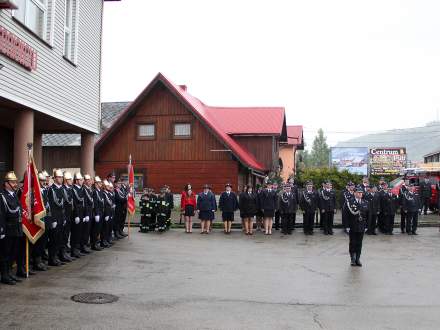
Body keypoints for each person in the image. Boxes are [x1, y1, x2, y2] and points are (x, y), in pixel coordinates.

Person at [0, 172, 23, 284]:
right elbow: (1, 215)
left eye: (16, 182)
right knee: (5, 253)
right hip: (7, 229)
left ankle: (9, 273)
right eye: (13, 182)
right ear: (6, 183)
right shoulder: (2, 196)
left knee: (14, 252)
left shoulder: (14, 195)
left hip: (16, 229)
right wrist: (2, 230)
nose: (15, 184)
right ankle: (4, 275)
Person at [346, 187, 368, 267]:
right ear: (354, 193)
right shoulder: (350, 202)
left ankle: (358, 259)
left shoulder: (365, 202)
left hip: (361, 226)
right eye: (358, 192)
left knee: (359, 243)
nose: (360, 194)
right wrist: (347, 226)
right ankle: (352, 259)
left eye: (361, 193)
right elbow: (346, 215)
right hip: (352, 226)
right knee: (352, 243)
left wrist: (366, 226)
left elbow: (367, 216)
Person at [47, 170, 65, 266]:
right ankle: (52, 258)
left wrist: (64, 217)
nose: (61, 179)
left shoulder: (62, 189)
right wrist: (52, 220)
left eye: (61, 177)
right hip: (54, 218)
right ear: (54, 178)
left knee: (59, 238)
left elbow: (63, 206)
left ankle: (56, 256)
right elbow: (50, 206)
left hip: (61, 218)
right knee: (53, 239)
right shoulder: (51, 189)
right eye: (59, 177)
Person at [71, 172, 85, 258]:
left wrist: (83, 215)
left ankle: (77, 249)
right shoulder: (73, 189)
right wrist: (76, 215)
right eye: (80, 179)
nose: (82, 181)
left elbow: (82, 203)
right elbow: (74, 204)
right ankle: (73, 250)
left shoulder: (81, 189)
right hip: (76, 213)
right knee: (75, 233)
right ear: (76, 181)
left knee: (80, 232)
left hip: (81, 213)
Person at [61, 171, 74, 262]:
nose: (71, 181)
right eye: (69, 179)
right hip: (63, 216)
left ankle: (64, 252)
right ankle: (61, 254)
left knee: (66, 235)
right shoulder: (63, 189)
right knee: (62, 236)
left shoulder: (69, 189)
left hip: (69, 215)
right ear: (66, 180)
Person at [81, 174, 94, 253]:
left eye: (90, 180)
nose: (90, 182)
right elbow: (84, 203)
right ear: (85, 181)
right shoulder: (84, 189)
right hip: (86, 213)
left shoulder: (89, 189)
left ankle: (85, 244)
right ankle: (83, 246)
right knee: (84, 231)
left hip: (90, 212)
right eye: (88, 180)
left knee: (88, 230)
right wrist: (86, 214)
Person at [91, 176, 104, 250]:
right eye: (99, 183)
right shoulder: (94, 191)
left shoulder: (100, 191)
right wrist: (96, 214)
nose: (101, 184)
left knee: (98, 229)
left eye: (100, 182)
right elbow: (95, 204)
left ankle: (97, 243)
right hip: (97, 213)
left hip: (101, 212)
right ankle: (94, 244)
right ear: (96, 184)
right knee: (95, 230)